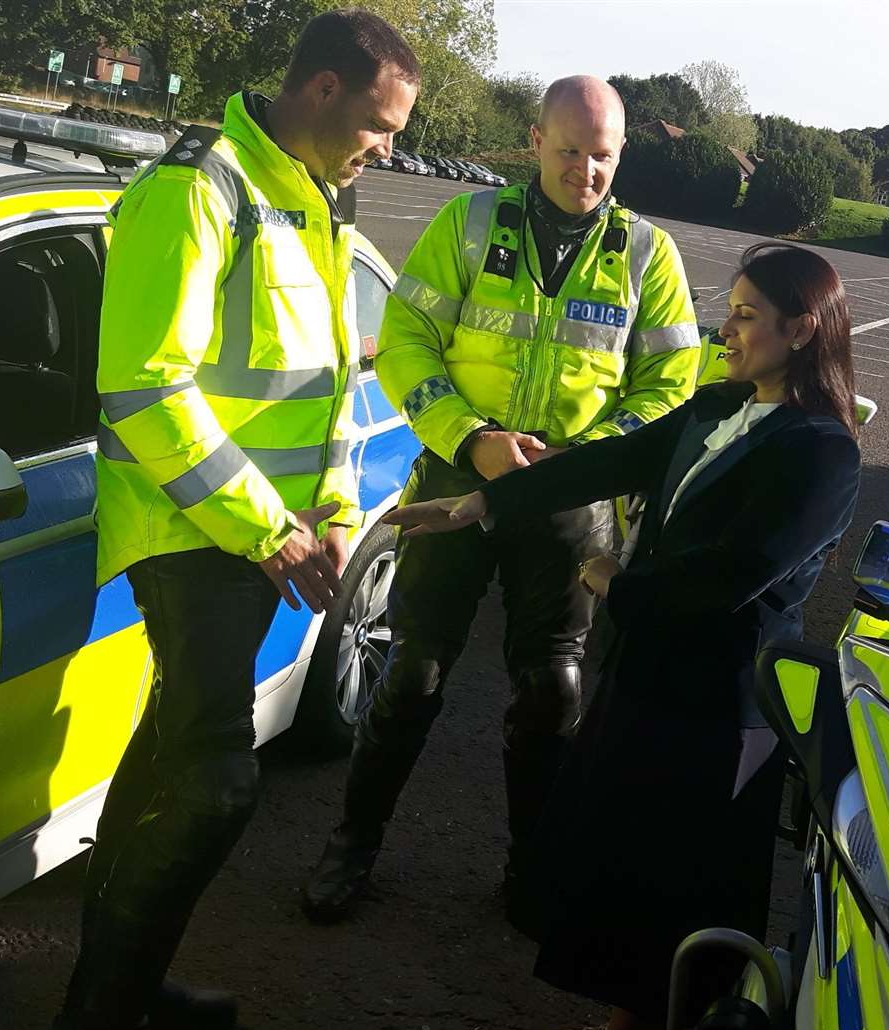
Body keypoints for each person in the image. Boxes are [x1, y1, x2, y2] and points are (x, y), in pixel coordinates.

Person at [384, 242, 862, 1030]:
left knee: (675, 893)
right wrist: (482, 501)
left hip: (717, 708)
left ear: (803, 327)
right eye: (734, 308)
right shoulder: (720, 409)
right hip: (648, 680)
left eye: (748, 316)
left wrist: (616, 582)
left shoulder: (825, 451)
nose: (728, 328)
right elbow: (606, 463)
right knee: (632, 880)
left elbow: (738, 575)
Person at [54, 12, 419, 1030]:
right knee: (214, 784)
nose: (387, 148)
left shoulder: (312, 204)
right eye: (379, 124)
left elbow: (332, 388)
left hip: (269, 540)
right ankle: (96, 1029)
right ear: (317, 91)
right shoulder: (195, 190)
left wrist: (342, 509)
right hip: (190, 532)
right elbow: (140, 389)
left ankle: (124, 979)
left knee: (166, 766)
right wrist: (270, 529)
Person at [301, 75, 702, 924]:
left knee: (553, 690)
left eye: (601, 156)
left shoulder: (647, 254)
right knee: (411, 672)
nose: (584, 171)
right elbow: (407, 341)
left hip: (570, 498)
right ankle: (351, 848)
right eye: (568, 150)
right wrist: (472, 437)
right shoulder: (470, 222)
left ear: (620, 154)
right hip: (460, 473)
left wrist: (579, 461)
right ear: (534, 142)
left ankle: (531, 872)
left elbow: (671, 385)